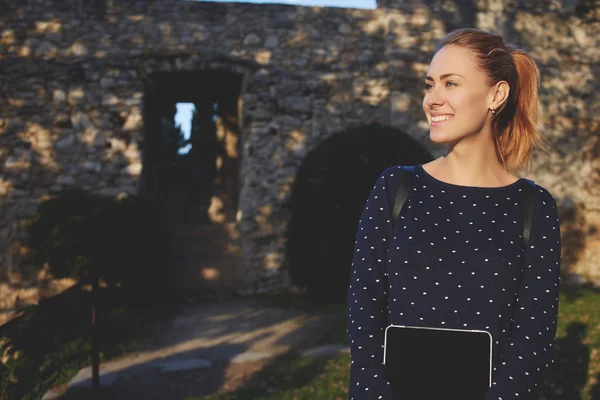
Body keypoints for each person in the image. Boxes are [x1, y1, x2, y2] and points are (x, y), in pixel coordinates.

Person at [347, 28, 562, 399]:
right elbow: (363, 307)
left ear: (496, 95)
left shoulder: (534, 206)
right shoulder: (395, 187)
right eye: (429, 85)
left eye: (451, 83)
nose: (433, 99)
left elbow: (534, 333)